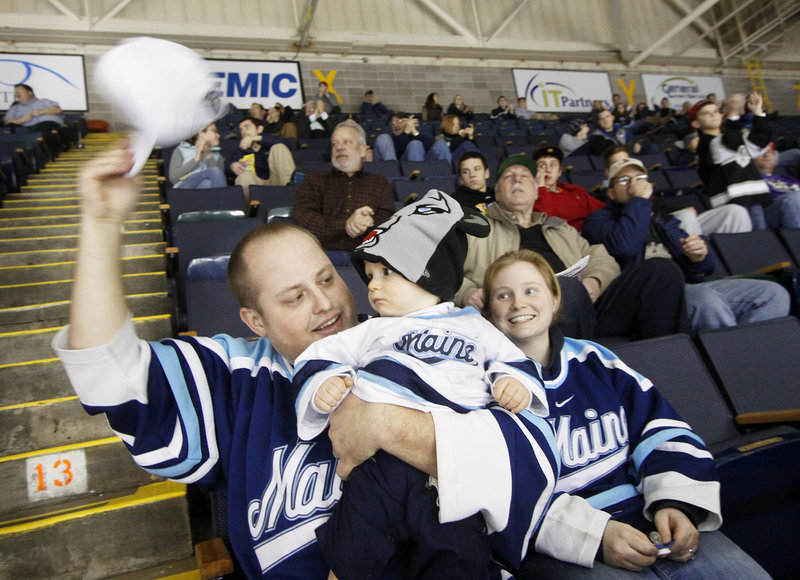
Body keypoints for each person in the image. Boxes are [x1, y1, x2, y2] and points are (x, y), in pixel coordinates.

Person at [52, 145, 562, 579]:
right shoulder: (234, 376)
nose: (324, 304)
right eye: (293, 298)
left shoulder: (422, 341)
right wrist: (98, 226)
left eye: (325, 278)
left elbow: (534, 463)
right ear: (255, 320)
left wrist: (386, 424)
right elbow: (109, 375)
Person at [294, 191, 555, 579]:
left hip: (447, 474)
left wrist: (513, 382)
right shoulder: (373, 329)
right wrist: (324, 384)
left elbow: (514, 361)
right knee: (350, 552)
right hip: (379, 464)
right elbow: (317, 357)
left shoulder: (474, 325)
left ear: (427, 273)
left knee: (459, 556)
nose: (373, 287)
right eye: (369, 277)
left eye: (387, 272)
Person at [483, 249, 771, 579]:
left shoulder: (597, 359)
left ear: (555, 299)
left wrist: (675, 502)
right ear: (490, 312)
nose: (518, 303)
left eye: (531, 290)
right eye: (503, 295)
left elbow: (661, 428)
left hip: (647, 512)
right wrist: (594, 536)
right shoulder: (484, 388)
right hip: (560, 541)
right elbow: (500, 492)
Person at [456, 155, 689, 341]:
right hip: (522, 317)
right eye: (508, 177)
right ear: (496, 192)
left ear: (537, 190)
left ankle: (666, 367)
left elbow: (599, 256)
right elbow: (446, 272)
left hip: (584, 308)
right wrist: (468, 293)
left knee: (661, 271)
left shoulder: (559, 228)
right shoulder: (478, 229)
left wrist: (595, 281)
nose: (517, 180)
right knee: (567, 289)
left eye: (525, 176)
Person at [583, 158, 790, 331]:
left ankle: (748, 354)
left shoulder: (662, 218)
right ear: (610, 193)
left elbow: (706, 268)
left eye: (640, 178)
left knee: (773, 294)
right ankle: (731, 361)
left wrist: (699, 257)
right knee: (706, 300)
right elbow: (624, 247)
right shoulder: (598, 220)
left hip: (689, 285)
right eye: (625, 180)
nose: (634, 183)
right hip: (651, 296)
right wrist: (639, 202)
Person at [693, 93, 800, 230]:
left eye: (715, 111)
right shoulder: (705, 144)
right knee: (757, 240)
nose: (713, 115)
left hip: (754, 198)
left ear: (721, 115)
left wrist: (758, 113)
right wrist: (732, 115)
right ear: (696, 123)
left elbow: (759, 142)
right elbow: (731, 143)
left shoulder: (731, 136)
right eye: (706, 114)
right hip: (734, 204)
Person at [293, 119, 395, 252]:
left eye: (346, 142)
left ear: (362, 150)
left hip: (366, 257)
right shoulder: (313, 181)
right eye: (335, 144)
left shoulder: (379, 183)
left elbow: (389, 221)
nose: (339, 147)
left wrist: (369, 223)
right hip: (323, 255)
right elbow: (303, 220)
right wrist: (345, 224)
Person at [604, 147, 752, 236]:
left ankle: (741, 272)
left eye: (637, 176)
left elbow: (660, 209)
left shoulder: (645, 188)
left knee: (734, 212)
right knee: (686, 217)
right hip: (649, 232)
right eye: (624, 177)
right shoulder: (607, 198)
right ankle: (697, 272)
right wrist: (638, 199)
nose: (633, 182)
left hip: (667, 223)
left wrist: (680, 209)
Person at [532, 146, 604, 231]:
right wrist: (541, 188)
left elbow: (602, 210)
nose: (548, 170)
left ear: (559, 172)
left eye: (553, 165)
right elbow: (541, 222)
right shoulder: (531, 197)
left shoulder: (575, 191)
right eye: (542, 166)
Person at [227, 116, 297, 200]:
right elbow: (227, 168)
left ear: (259, 129)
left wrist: (258, 138)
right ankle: (251, 211)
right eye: (241, 129)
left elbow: (291, 144)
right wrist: (231, 166)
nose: (243, 132)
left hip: (278, 181)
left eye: (247, 127)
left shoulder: (270, 142)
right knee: (243, 176)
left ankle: (292, 194)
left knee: (279, 147)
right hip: (255, 186)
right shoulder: (240, 150)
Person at [3, 83, 75, 152]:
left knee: (47, 126)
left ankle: (54, 145)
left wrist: (41, 112)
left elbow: (57, 109)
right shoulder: (15, 108)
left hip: (50, 123)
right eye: (15, 92)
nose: (16, 94)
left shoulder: (43, 101)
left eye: (19, 91)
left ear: (30, 93)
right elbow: (7, 121)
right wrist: (20, 120)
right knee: (42, 133)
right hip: (31, 129)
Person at [168, 122, 227, 189]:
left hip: (204, 189)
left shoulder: (216, 153)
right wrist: (195, 160)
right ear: (201, 133)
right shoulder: (181, 149)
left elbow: (219, 178)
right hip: (184, 188)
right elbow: (173, 178)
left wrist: (208, 155)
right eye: (214, 131)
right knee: (214, 171)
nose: (218, 135)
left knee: (207, 183)